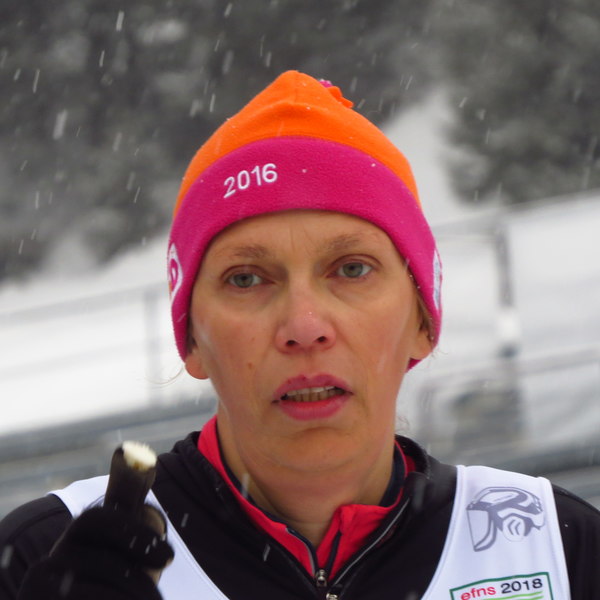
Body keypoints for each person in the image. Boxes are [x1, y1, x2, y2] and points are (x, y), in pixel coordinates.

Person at [0, 70, 599, 599]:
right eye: (246, 278)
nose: (305, 327)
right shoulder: (45, 557)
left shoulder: (555, 547)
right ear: (192, 341)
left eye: (352, 269)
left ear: (422, 320)